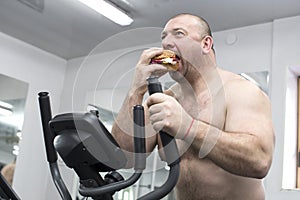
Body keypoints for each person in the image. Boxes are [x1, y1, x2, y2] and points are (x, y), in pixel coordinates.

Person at [111, 13, 275, 200]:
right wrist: (136, 90)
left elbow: (259, 161)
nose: (166, 44)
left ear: (206, 44)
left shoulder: (240, 91)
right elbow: (124, 157)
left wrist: (187, 126)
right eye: (164, 37)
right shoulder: (166, 100)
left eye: (178, 34)